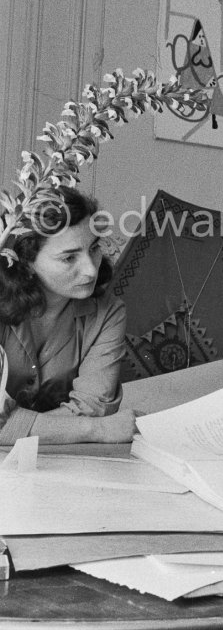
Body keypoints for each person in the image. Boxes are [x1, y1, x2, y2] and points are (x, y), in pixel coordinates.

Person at [0, 186, 136, 445]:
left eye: (93, 248)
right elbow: (98, 423)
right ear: (26, 263)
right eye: (69, 258)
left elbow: (93, 407)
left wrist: (14, 429)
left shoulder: (108, 313)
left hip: (63, 459)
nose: (90, 270)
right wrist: (97, 430)